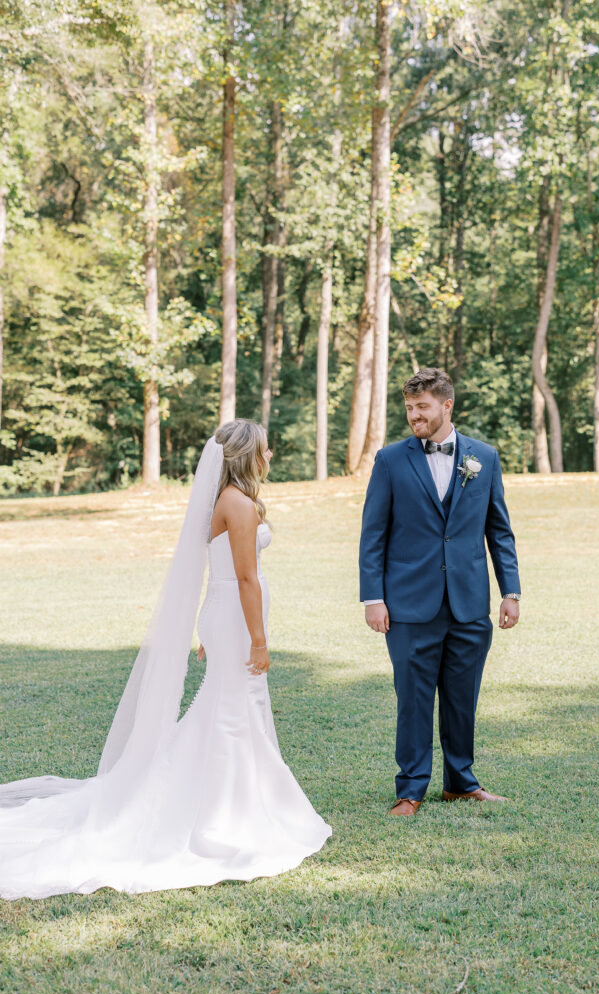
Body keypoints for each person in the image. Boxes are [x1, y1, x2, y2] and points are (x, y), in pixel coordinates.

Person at [0, 420, 331, 899]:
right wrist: (259, 639)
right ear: (245, 454)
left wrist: (213, 630)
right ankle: (227, 816)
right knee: (234, 708)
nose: (271, 454)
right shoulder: (237, 503)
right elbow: (244, 579)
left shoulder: (228, 500)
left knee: (233, 705)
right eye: (265, 447)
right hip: (237, 617)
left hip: (224, 616)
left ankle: (247, 800)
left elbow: (220, 573)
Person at [359, 368, 521, 816]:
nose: (415, 416)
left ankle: (460, 783)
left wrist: (511, 591)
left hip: (469, 603)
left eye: (422, 407)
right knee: (412, 700)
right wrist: (373, 598)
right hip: (409, 606)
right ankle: (410, 790)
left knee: (461, 698)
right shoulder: (390, 460)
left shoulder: (484, 457)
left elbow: (499, 530)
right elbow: (373, 533)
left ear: (447, 406)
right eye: (410, 408)